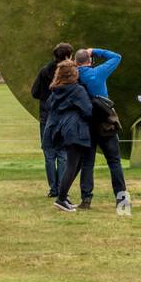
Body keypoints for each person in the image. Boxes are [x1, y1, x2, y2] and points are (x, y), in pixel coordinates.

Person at [75, 47, 130, 214]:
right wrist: (95, 50)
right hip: (105, 122)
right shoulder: (97, 73)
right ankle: (122, 202)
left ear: (76, 62)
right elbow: (116, 56)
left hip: (85, 124)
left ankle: (86, 199)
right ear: (89, 61)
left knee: (87, 163)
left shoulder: (73, 76)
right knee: (114, 162)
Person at [43, 59, 94, 213]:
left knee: (76, 164)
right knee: (73, 164)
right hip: (75, 129)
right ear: (73, 74)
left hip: (62, 129)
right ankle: (61, 198)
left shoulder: (56, 90)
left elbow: (49, 106)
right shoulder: (77, 90)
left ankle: (63, 197)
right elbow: (88, 111)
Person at [31, 42, 74, 196]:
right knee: (62, 154)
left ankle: (53, 188)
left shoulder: (44, 71)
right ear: (68, 56)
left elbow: (35, 92)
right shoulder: (70, 73)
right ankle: (62, 188)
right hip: (63, 116)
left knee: (49, 154)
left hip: (46, 116)